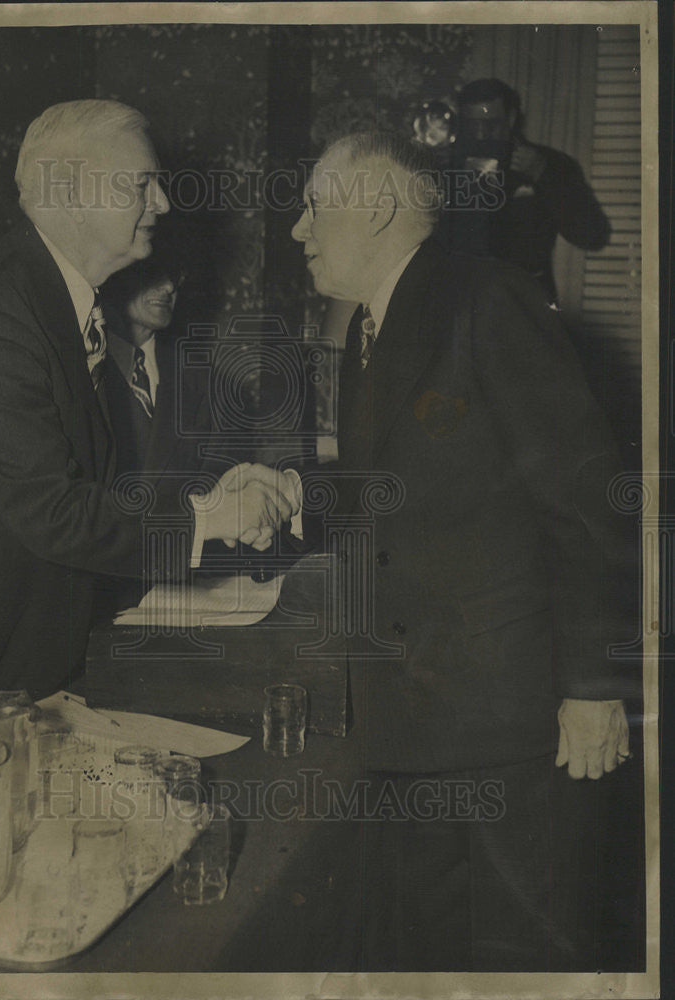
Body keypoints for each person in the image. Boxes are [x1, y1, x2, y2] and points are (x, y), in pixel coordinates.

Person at [290, 131, 637, 970]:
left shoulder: (490, 300)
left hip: (506, 720)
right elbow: (422, 490)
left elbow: (588, 506)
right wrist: (294, 492)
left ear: (373, 207)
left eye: (311, 208)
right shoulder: (373, 323)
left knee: (530, 951)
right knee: (433, 947)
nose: (298, 231)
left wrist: (593, 688)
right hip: (416, 715)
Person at [0, 100, 296, 744]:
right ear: (70, 193)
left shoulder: (57, 296)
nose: (162, 203)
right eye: (142, 183)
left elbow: (95, 485)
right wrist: (209, 521)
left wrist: (206, 499)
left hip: (32, 659)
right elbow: (55, 513)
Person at [437, 77, 610, 304]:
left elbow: (592, 235)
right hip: (462, 304)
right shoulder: (447, 167)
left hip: (527, 305)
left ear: (510, 118)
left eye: (490, 125)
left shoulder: (549, 164)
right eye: (472, 125)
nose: (480, 135)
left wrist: (543, 175)